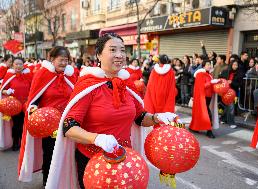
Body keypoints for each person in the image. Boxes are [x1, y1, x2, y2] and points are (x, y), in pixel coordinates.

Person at [45, 33, 179, 189]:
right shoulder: (88, 85)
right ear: (99, 55)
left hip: (125, 160)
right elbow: (69, 127)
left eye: (122, 50)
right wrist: (96, 138)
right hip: (93, 163)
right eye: (113, 50)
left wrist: (158, 117)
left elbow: (140, 117)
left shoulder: (126, 83)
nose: (120, 55)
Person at [18, 46, 77, 186]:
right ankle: (48, 182)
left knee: (68, 153)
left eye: (66, 60)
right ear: (52, 59)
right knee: (50, 154)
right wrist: (33, 110)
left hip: (68, 123)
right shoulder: (42, 74)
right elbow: (34, 99)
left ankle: (65, 180)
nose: (63, 63)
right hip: (49, 124)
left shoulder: (72, 75)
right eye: (60, 60)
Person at [0, 57, 33, 151]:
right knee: (16, 125)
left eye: (20, 64)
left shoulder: (29, 75)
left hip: (26, 105)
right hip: (14, 105)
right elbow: (3, 89)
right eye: (16, 64)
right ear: (12, 65)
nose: (18, 66)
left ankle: (24, 143)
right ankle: (15, 142)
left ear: (23, 65)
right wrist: (7, 91)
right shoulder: (9, 75)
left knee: (25, 124)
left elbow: (34, 89)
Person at [189, 60, 219, 138]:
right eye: (208, 64)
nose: (210, 66)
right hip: (202, 97)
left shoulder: (209, 74)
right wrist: (211, 82)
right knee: (207, 114)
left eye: (210, 64)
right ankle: (209, 131)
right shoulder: (200, 74)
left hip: (208, 97)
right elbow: (202, 86)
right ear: (203, 66)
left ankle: (195, 127)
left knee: (203, 114)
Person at [219, 60, 243, 128]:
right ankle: (223, 118)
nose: (235, 66)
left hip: (233, 92)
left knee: (231, 107)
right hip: (224, 91)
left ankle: (231, 122)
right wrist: (225, 82)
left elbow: (240, 84)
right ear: (231, 65)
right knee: (228, 106)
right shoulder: (225, 71)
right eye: (234, 64)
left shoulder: (239, 74)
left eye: (236, 65)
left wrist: (231, 82)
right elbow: (220, 79)